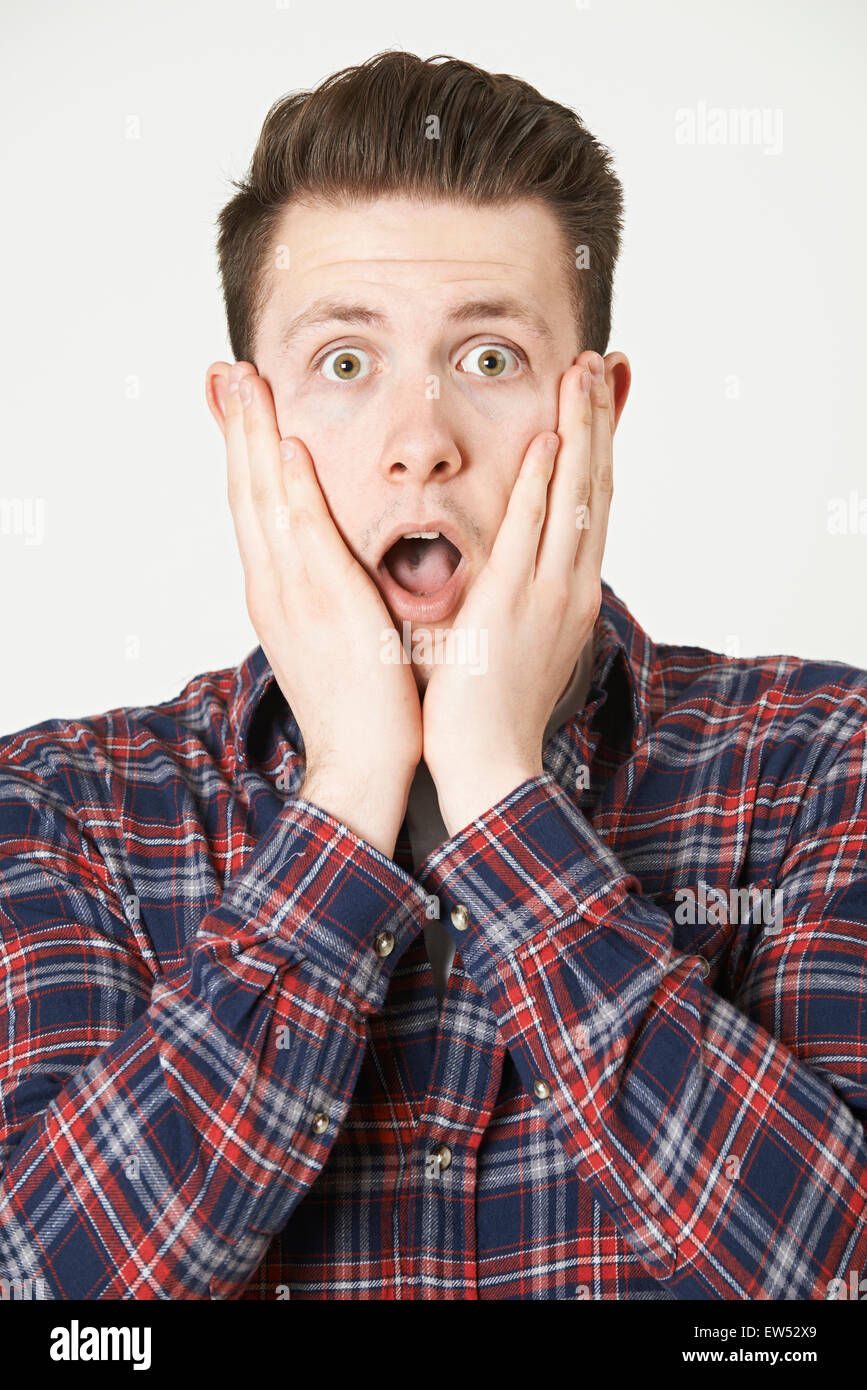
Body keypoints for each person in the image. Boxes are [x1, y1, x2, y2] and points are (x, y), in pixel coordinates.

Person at [1, 49, 865, 1302]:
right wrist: (349, 793)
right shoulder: (57, 814)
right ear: (244, 421)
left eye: (491, 360)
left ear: (600, 414)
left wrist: (503, 797)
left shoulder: (826, 762)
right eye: (345, 363)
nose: (422, 446)